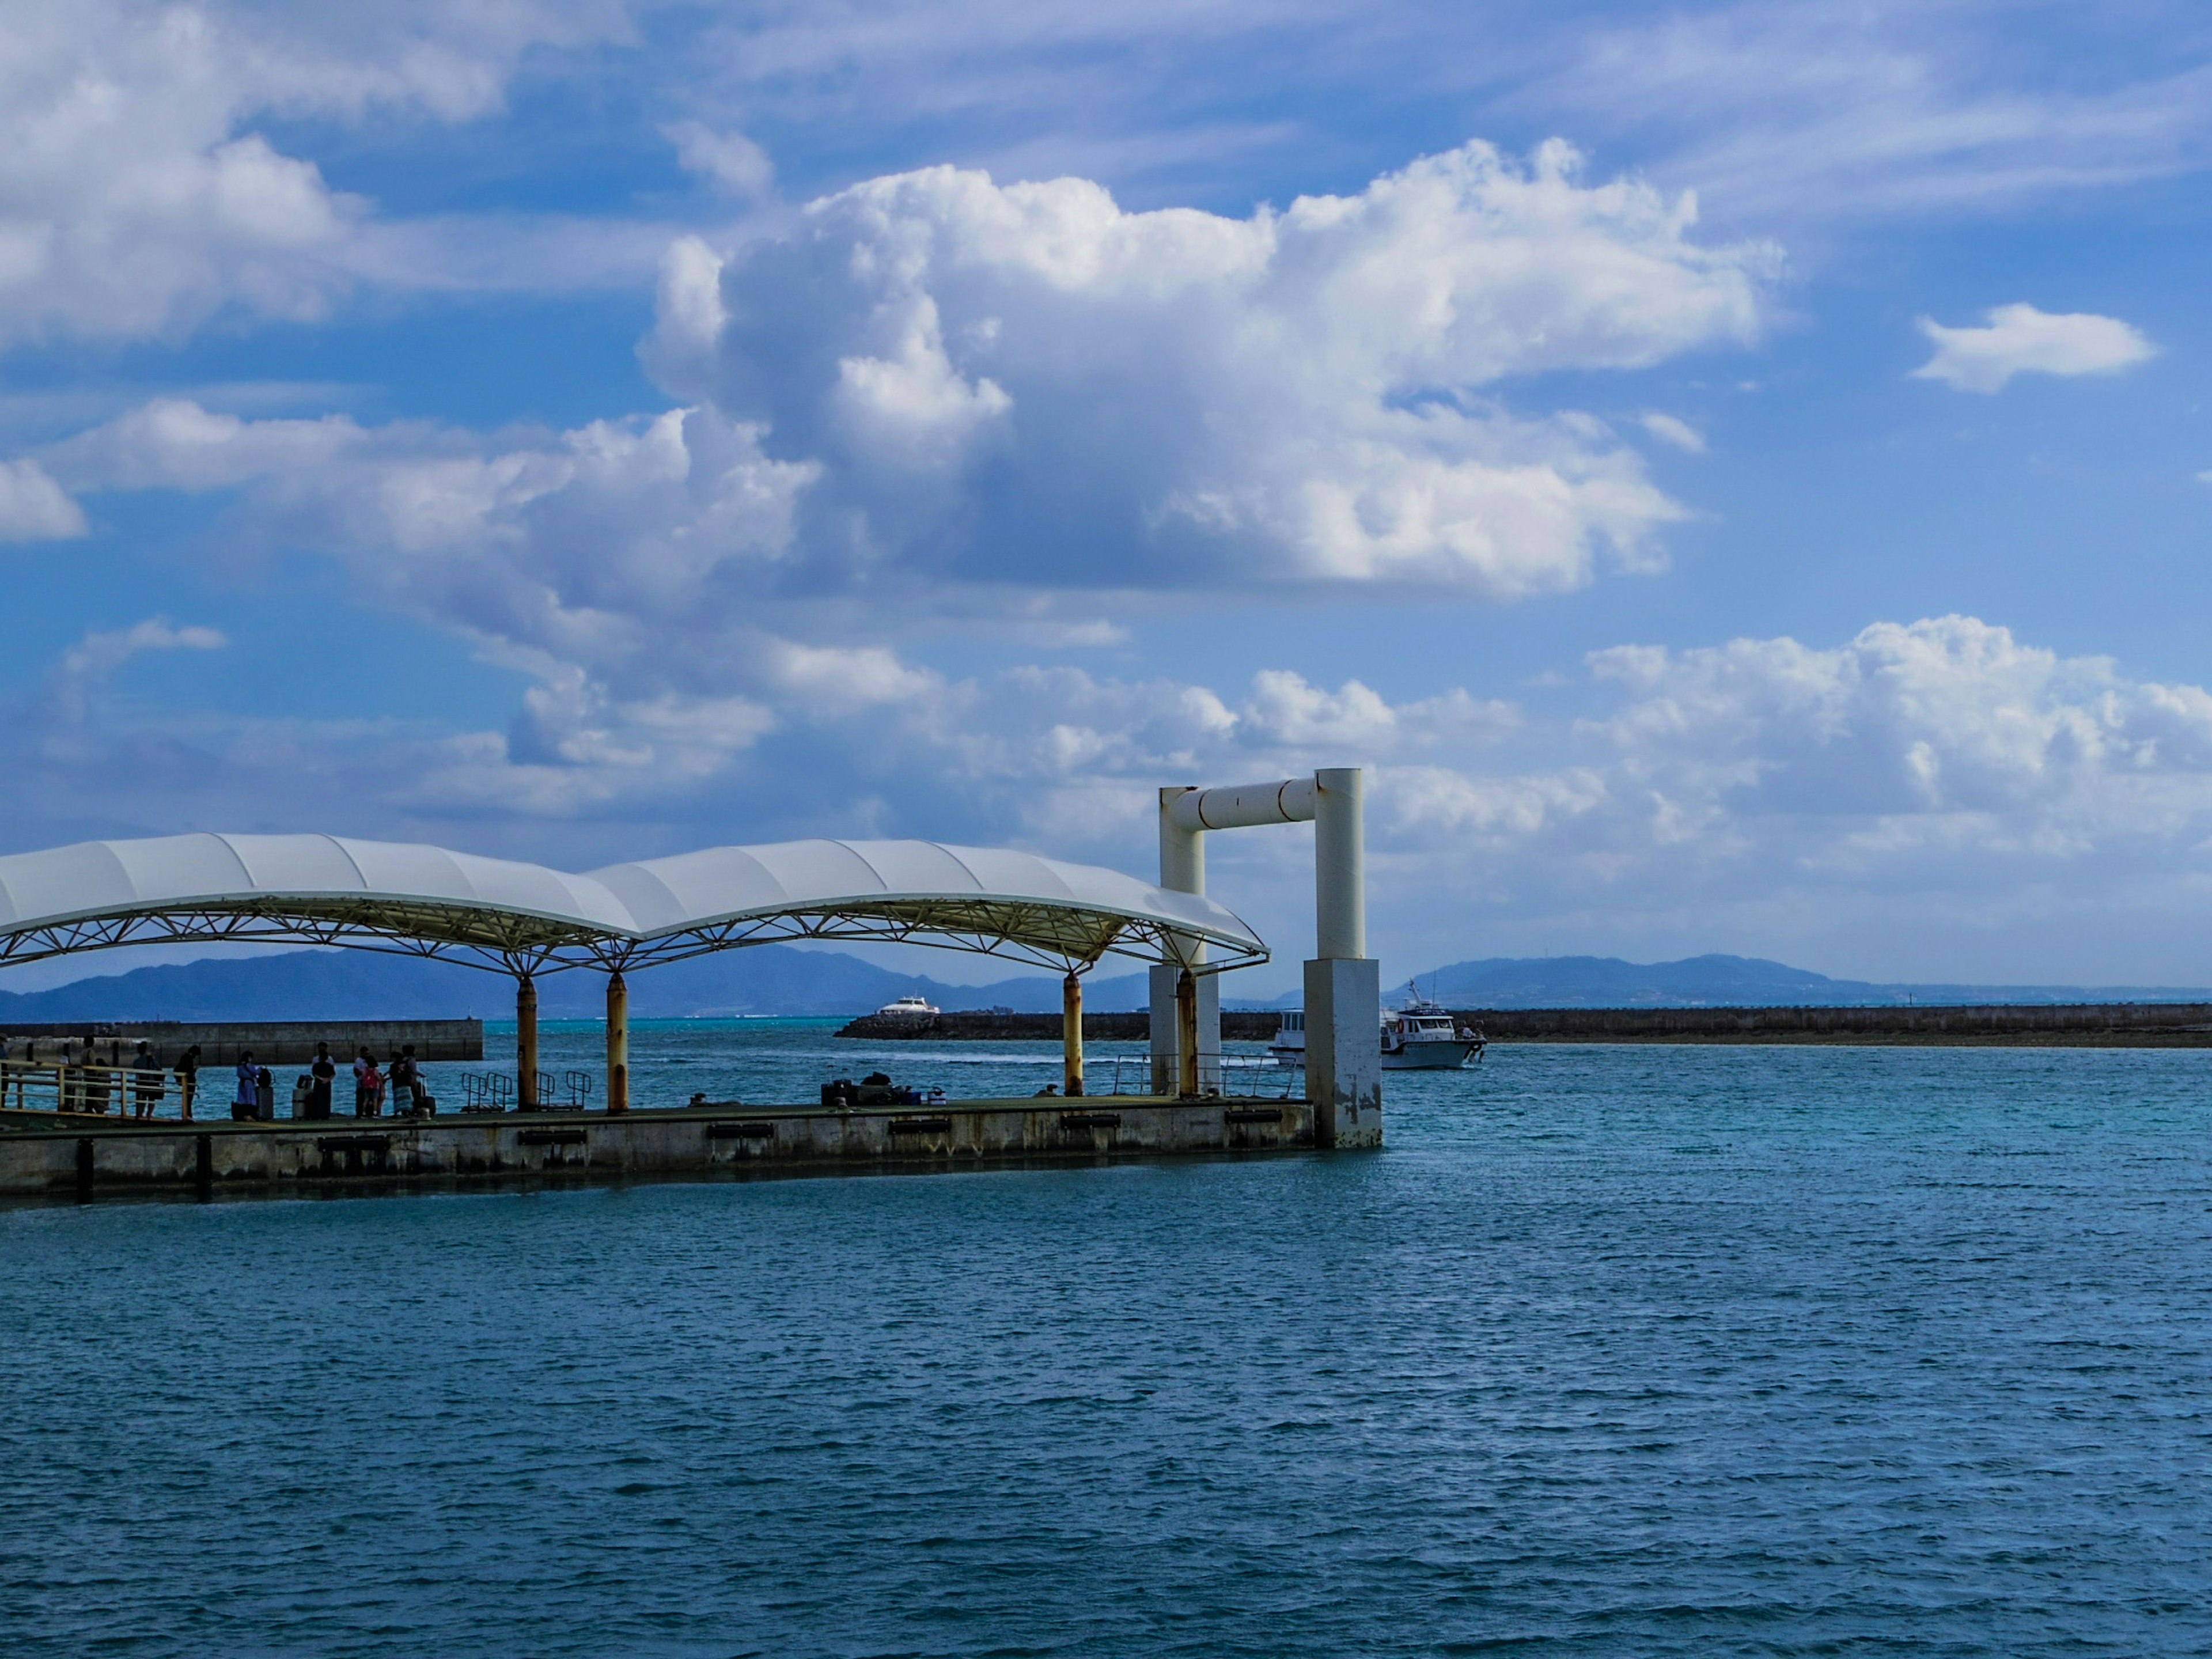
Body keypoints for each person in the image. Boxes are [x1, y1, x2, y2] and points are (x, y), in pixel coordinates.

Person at [131, 1040, 162, 1119]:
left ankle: (140, 1114)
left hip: (141, 1082)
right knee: (152, 1099)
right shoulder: (151, 1059)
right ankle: (149, 1114)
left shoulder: (136, 1062)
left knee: (142, 1099)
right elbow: (158, 1068)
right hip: (151, 1081)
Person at [309, 1043, 335, 1121]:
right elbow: (333, 1073)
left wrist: (321, 1079)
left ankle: (319, 1115)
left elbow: (314, 1073)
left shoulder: (318, 1063)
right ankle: (324, 1115)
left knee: (319, 1099)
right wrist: (327, 1079)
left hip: (319, 1082)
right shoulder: (328, 1063)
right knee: (325, 1099)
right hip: (326, 1082)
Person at [391, 1045, 419, 1115]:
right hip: (410, 1081)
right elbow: (413, 1070)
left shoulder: (402, 1060)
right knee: (412, 1097)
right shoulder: (411, 1060)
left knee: (400, 1098)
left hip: (401, 1082)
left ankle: (401, 1112)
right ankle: (412, 1111)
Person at [176, 1044, 200, 1122]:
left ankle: (187, 1115)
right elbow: (189, 1071)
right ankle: (188, 1115)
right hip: (189, 1082)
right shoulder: (188, 1059)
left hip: (186, 1081)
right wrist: (194, 1070)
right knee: (189, 1099)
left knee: (187, 1099)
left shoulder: (184, 1058)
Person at [233, 1050, 258, 1121]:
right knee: (250, 1099)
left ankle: (243, 1115)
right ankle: (250, 1115)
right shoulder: (249, 1065)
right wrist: (261, 1069)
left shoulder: (239, 1066)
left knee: (242, 1099)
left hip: (242, 1083)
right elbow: (255, 1072)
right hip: (249, 1083)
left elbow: (238, 1074)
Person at [358, 1054, 383, 1118]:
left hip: (366, 1087)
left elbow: (363, 1078)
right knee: (375, 1100)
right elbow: (379, 1078)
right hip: (374, 1087)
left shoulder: (365, 1070)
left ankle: (363, 1113)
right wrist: (382, 1086)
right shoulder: (375, 1071)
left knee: (366, 1100)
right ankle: (375, 1113)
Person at [352, 1046, 370, 1116]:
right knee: (360, 1098)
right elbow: (356, 1070)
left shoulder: (370, 1060)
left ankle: (368, 1113)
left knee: (369, 1097)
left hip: (370, 1081)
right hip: (361, 1081)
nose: (367, 1055)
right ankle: (359, 1113)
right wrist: (363, 1073)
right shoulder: (358, 1060)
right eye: (366, 1054)